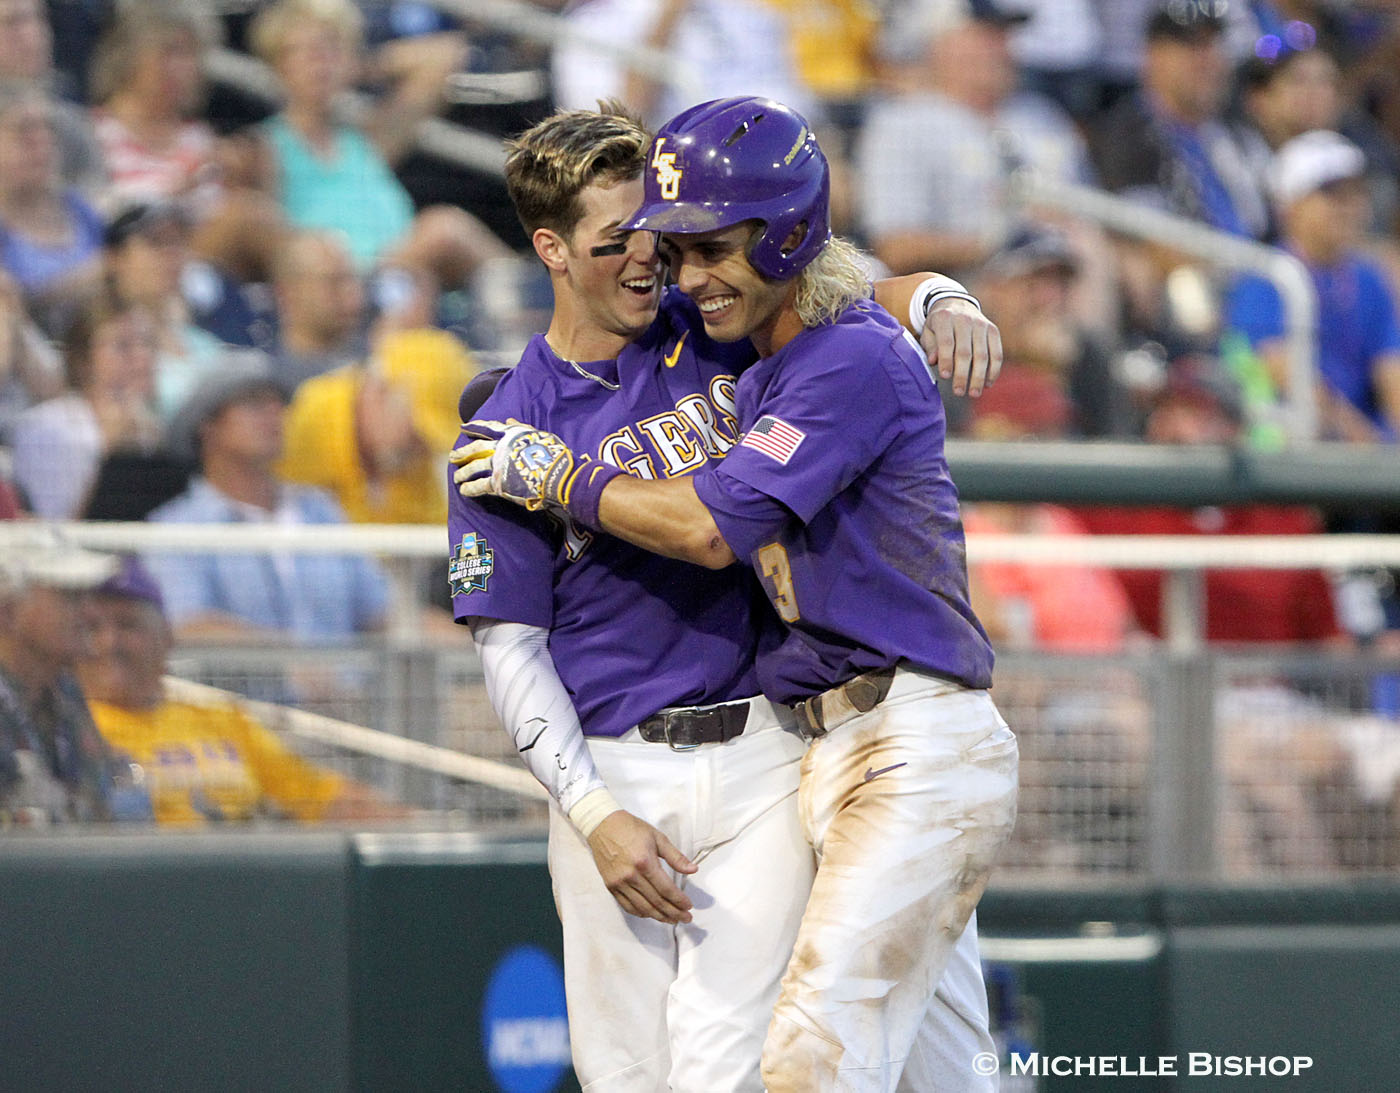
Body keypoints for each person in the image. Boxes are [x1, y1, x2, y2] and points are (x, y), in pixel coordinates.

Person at [455, 96, 1018, 1091]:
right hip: (658, 764)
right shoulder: (507, 418)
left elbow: (833, 305)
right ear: (550, 249)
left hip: (798, 748)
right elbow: (508, 648)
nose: (656, 263)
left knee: (782, 1067)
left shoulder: (715, 324)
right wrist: (587, 809)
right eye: (627, 239)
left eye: (668, 239)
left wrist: (935, 294)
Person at [81, 556, 402, 825]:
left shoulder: (221, 717)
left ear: (165, 638)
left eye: (128, 625)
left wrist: (410, 825)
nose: (110, 643)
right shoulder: (73, 728)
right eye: (93, 628)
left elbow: (315, 794)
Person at [144, 353, 389, 647]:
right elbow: (186, 624)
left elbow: (381, 611)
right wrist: (291, 660)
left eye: (279, 402)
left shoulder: (319, 509)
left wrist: (438, 634)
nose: (275, 412)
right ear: (206, 425)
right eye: (253, 401)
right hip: (239, 681)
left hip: (347, 678)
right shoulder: (176, 529)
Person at [1225, 129, 1400, 443]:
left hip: (1363, 444)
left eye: (1356, 193)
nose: (1349, 206)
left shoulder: (1369, 280)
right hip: (1289, 445)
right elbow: (1286, 373)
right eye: (1331, 195)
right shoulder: (1267, 277)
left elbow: (1391, 369)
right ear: (1290, 205)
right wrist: (1367, 445)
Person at [278, 327, 477, 525]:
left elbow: (434, 531)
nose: (423, 449)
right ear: (380, 391)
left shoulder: (410, 459)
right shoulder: (310, 420)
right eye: (419, 431)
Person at [0, 523, 127, 826]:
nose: (92, 613)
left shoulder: (63, 691)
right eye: (70, 596)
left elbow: (99, 802)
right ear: (7, 612)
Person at [10, 294, 161, 519]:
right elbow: (52, 528)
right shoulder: (48, 427)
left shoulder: (153, 429)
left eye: (148, 343)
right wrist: (109, 454)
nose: (142, 357)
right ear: (83, 358)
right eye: (123, 345)